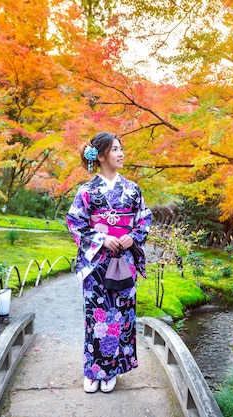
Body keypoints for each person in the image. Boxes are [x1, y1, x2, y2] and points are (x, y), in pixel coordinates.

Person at [66, 132, 152, 394]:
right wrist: (101, 239)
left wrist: (131, 237)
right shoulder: (87, 191)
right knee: (97, 316)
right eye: (115, 149)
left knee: (122, 316)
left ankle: (112, 370)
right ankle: (93, 371)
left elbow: (144, 219)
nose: (121, 153)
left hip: (124, 261)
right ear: (101, 156)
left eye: (121, 148)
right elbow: (75, 222)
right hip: (97, 265)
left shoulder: (133, 189)